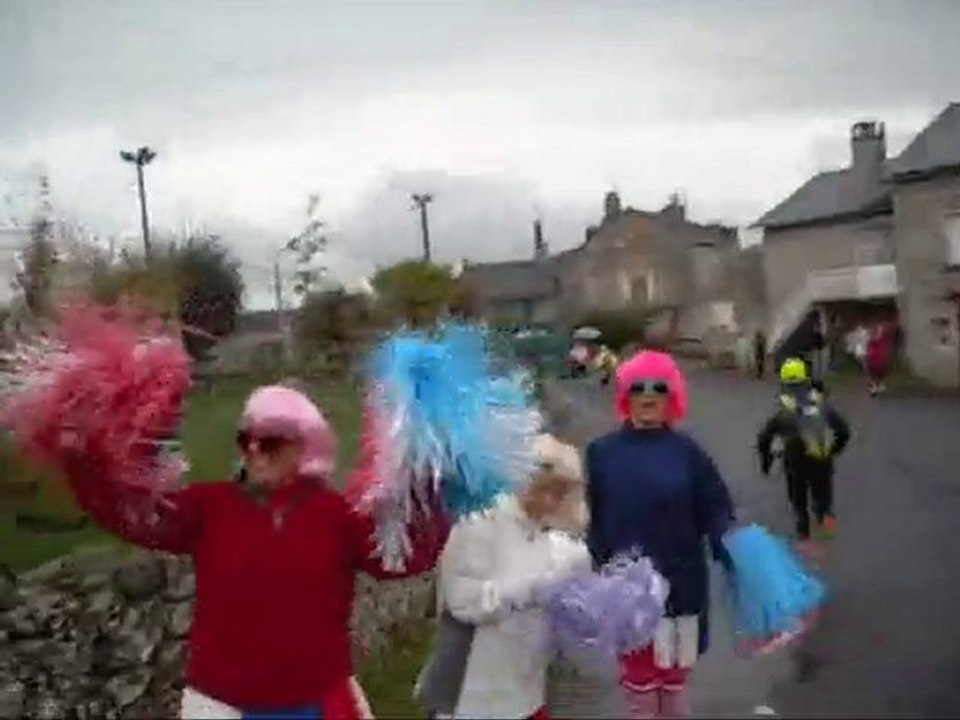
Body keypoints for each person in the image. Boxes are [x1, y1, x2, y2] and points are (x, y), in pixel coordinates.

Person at [61, 384, 448, 719]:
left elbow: (401, 558)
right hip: (222, 703)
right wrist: (87, 457)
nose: (255, 452)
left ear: (305, 445)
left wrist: (432, 489)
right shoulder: (207, 506)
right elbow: (133, 516)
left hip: (314, 701)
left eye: (271, 442)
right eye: (246, 440)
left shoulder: (336, 515)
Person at [585, 351, 736, 719]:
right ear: (625, 394)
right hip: (626, 589)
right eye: (638, 387)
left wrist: (733, 548)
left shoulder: (689, 453)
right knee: (639, 684)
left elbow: (716, 508)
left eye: (659, 387)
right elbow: (588, 516)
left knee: (674, 682)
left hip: (682, 585)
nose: (649, 395)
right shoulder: (601, 453)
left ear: (673, 396)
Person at [418, 433, 591, 720]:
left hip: (524, 691)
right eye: (542, 489)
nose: (549, 501)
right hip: (472, 695)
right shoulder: (479, 522)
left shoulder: (552, 538)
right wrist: (528, 589)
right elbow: (462, 601)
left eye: (558, 494)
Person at [756, 358, 851, 558]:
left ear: (784, 383)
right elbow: (844, 431)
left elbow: (764, 439)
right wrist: (834, 450)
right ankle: (824, 521)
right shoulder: (821, 403)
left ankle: (804, 534)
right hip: (822, 459)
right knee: (823, 496)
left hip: (796, 463)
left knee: (799, 499)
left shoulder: (784, 411)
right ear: (806, 379)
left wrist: (766, 463)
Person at [865, 322, 894, 396]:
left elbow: (885, 349)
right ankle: (875, 389)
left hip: (879, 360)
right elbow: (869, 349)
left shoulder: (882, 340)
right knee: (874, 376)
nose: (880, 331)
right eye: (879, 330)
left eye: (880, 330)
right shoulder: (873, 340)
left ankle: (877, 388)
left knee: (878, 376)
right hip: (874, 360)